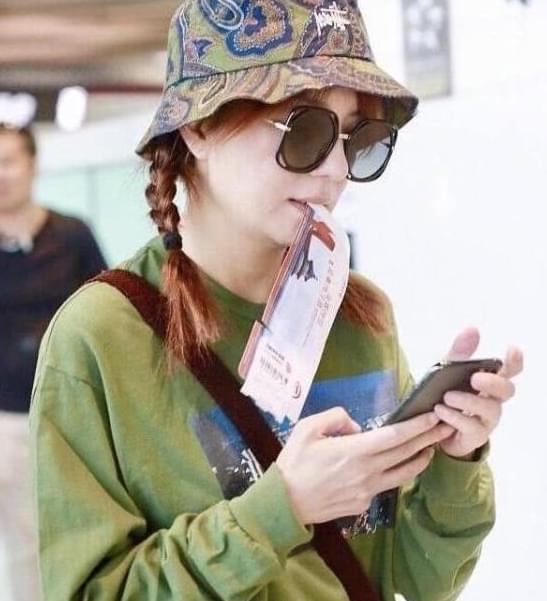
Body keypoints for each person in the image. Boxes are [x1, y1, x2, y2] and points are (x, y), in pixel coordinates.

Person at [30, 2, 523, 600]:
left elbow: (410, 579)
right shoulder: (99, 339)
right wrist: (279, 508)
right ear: (200, 128)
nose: (336, 170)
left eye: (361, 140)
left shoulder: (360, 315)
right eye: (305, 131)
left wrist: (457, 460)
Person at [0, 121, 107, 601]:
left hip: (69, 415)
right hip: (7, 422)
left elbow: (107, 309)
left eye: (8, 162)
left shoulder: (72, 235)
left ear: (32, 165)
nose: (1, 175)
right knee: (25, 542)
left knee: (85, 533)